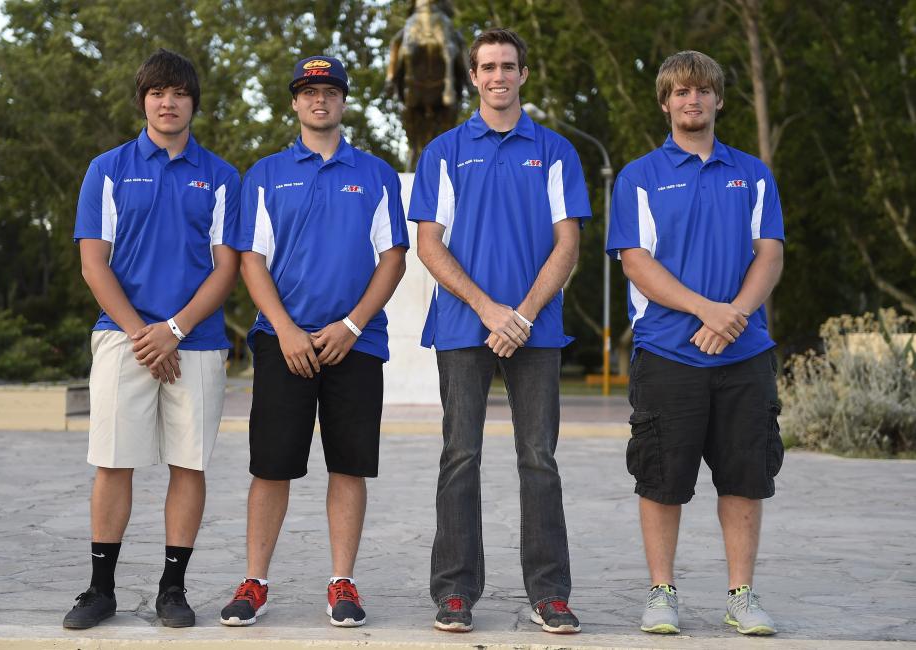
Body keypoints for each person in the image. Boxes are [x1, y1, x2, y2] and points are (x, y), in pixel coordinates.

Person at [408, 27, 591, 635]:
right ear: (474, 76)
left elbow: (569, 243)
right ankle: (455, 592)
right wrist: (490, 310)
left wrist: (524, 315)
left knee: (538, 459)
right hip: (465, 328)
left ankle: (550, 593)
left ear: (523, 74)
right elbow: (427, 244)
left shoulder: (557, 151)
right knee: (460, 457)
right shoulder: (444, 151)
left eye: (508, 66)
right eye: (486, 67)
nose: (497, 76)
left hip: (535, 332)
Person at [218, 55, 408, 629]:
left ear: (344, 100)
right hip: (284, 342)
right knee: (271, 467)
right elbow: (252, 261)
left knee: (348, 466)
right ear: (295, 102)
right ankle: (255, 581)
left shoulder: (374, 173)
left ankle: (341, 581)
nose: (318, 100)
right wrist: (286, 329)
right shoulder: (267, 174)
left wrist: (351, 325)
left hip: (356, 342)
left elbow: (393, 259)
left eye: (329, 90)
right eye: (307, 91)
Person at [606, 50, 785, 636]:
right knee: (663, 478)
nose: (692, 100)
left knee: (745, 477)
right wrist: (706, 310)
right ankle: (662, 593)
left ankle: (742, 595)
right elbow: (636, 263)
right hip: (668, 353)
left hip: (745, 352)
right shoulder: (639, 176)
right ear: (665, 102)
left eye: (703, 91)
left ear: (718, 100)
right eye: (681, 92)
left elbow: (769, 255)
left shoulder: (753, 173)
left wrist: (733, 315)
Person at [65, 49, 240, 629]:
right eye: (158, 92)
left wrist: (175, 329)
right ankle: (99, 589)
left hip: (196, 341)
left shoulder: (219, 175)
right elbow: (95, 263)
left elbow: (225, 268)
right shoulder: (108, 168)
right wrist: (146, 334)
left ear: (193, 102)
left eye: (179, 93)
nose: (168, 103)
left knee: (188, 466)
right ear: (143, 100)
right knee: (114, 464)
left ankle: (173, 589)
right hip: (124, 338)